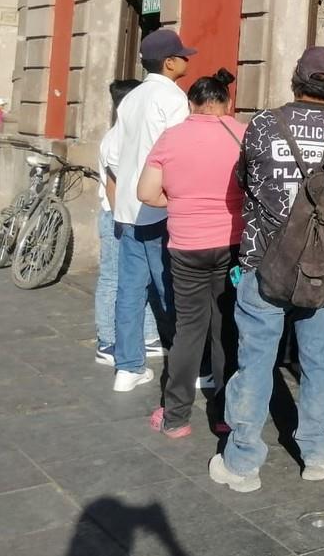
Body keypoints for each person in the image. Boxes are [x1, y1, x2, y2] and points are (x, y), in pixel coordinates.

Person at [210, 47, 324, 493]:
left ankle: (244, 461)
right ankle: (316, 453)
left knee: (254, 362)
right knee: (318, 361)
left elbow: (244, 179)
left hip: (262, 258)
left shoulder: (265, 124)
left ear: (295, 80)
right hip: (321, 266)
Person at [138, 68, 244, 438]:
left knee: (188, 331)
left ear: (190, 104)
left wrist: (182, 202)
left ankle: (176, 417)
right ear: (227, 103)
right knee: (226, 329)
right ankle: (225, 415)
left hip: (186, 246)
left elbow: (147, 194)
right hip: (232, 244)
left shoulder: (171, 138)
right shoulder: (242, 134)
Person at [105, 29, 194, 392]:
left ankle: (127, 367)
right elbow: (180, 153)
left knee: (130, 290)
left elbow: (112, 155)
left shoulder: (131, 99)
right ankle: (187, 367)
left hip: (129, 209)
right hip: (160, 208)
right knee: (172, 291)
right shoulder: (172, 98)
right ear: (169, 62)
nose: (187, 59)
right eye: (182, 55)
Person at [94, 80, 161, 368]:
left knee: (136, 282)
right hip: (117, 215)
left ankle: (146, 336)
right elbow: (114, 184)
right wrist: (123, 219)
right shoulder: (116, 139)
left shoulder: (123, 135)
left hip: (124, 214)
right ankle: (107, 340)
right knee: (113, 279)